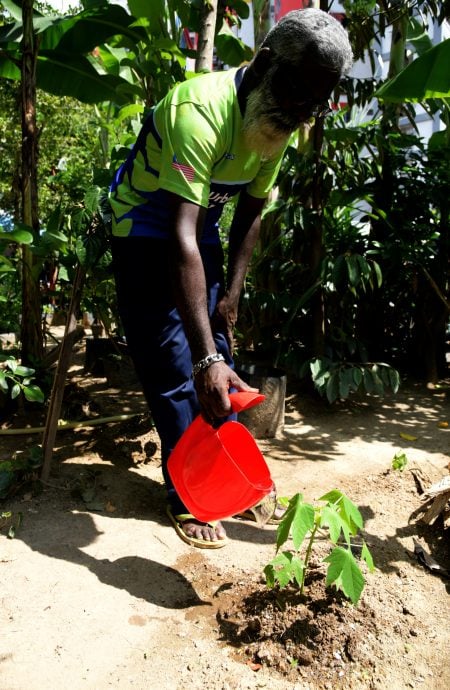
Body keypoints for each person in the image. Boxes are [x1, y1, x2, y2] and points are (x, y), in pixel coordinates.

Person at [109, 8, 353, 548]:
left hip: (204, 232)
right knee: (179, 366)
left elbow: (251, 212)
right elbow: (179, 235)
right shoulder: (202, 109)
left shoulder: (279, 118)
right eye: (296, 93)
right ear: (265, 62)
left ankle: (227, 479)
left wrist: (233, 294)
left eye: (316, 103)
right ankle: (189, 496)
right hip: (147, 227)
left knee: (220, 356)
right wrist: (203, 356)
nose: (302, 112)